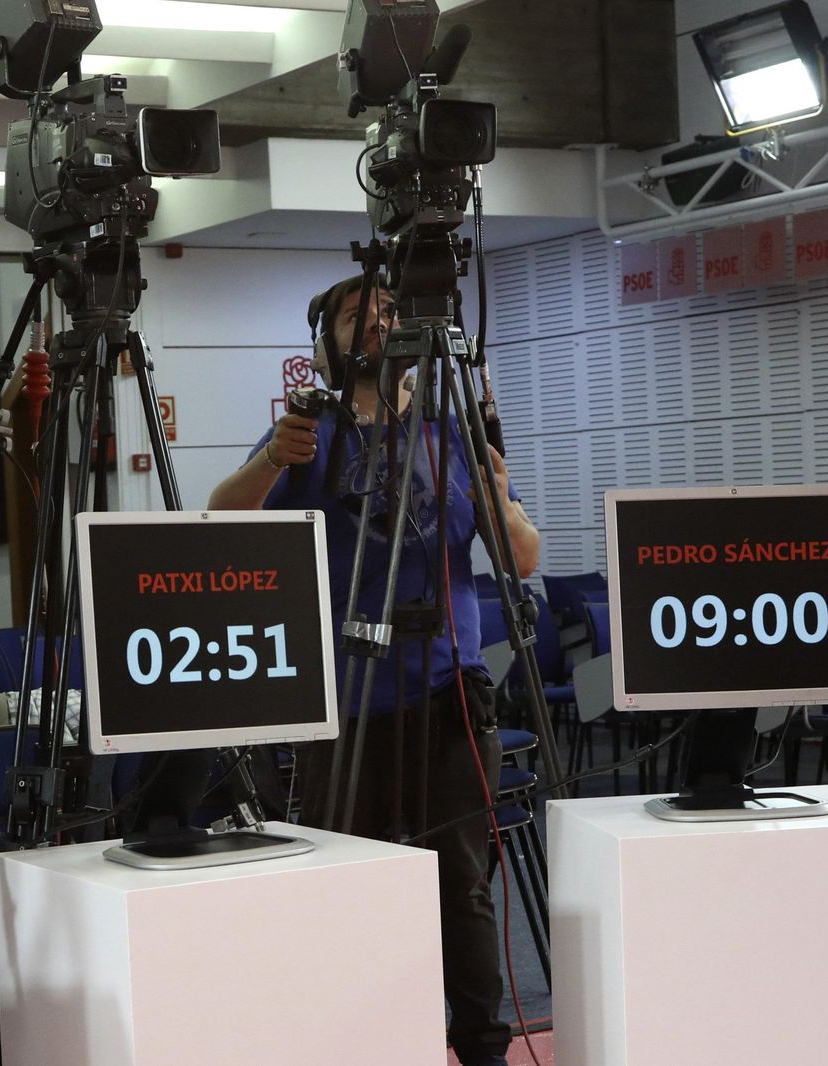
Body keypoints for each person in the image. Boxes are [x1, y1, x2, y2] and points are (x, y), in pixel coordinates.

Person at [207, 275, 540, 1066]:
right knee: (347, 880)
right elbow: (221, 519)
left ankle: (483, 1049)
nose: (380, 325)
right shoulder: (309, 432)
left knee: (462, 883)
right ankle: (357, 1043)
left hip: (451, 692)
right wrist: (272, 462)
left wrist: (500, 496)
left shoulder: (452, 432)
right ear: (325, 345)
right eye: (359, 316)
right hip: (347, 700)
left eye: (390, 313)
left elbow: (521, 557)